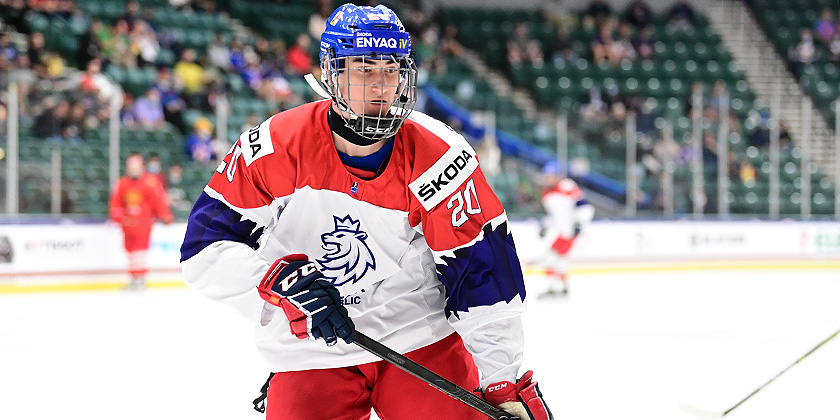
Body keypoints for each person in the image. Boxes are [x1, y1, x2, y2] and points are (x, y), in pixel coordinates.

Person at [179, 4, 552, 420]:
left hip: (418, 336)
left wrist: (501, 380)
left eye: (391, 70)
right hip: (310, 343)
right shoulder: (273, 146)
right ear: (331, 73)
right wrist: (276, 284)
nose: (381, 85)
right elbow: (204, 252)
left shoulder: (440, 156)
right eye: (364, 69)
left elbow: (482, 276)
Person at [110, 153, 173, 290]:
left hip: (143, 223)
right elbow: (116, 203)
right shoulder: (122, 183)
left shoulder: (150, 182)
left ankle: (140, 277)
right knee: (130, 251)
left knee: (139, 251)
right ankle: (134, 277)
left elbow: (158, 200)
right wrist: (118, 218)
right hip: (128, 224)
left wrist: (165, 215)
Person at [538, 169, 594, 297]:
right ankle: (562, 288)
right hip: (562, 233)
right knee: (558, 260)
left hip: (570, 233)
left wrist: (579, 223)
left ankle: (554, 288)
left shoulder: (566, 186)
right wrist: (545, 227)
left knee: (550, 258)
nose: (548, 179)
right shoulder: (547, 194)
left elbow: (585, 206)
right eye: (546, 176)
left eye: (550, 176)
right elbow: (553, 215)